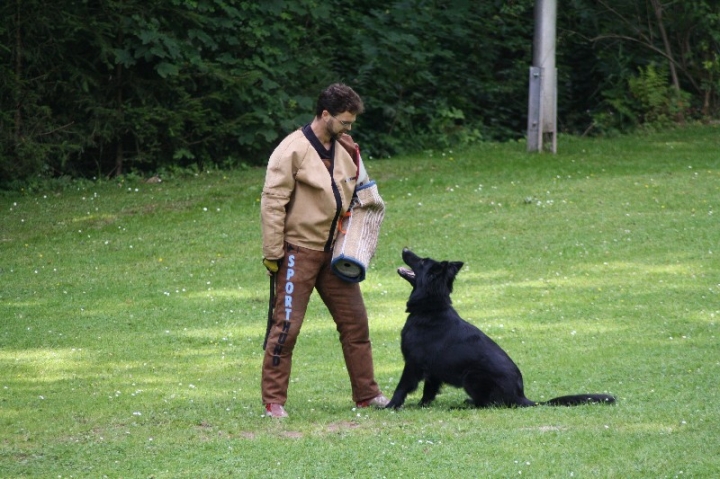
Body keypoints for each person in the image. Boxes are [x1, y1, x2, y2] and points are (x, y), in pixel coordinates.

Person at [259, 83, 388, 418]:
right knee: (286, 328)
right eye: (344, 121)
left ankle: (367, 394)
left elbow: (363, 194)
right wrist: (273, 254)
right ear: (325, 114)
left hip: (335, 256)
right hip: (296, 253)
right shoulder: (291, 149)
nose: (349, 128)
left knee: (356, 324)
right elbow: (272, 203)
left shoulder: (348, 148)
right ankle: (274, 402)